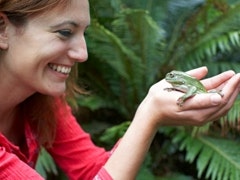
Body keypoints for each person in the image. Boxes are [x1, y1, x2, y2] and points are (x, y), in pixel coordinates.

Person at [0, 0, 239, 179]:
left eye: (84, 33)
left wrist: (152, 113)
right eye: (65, 32)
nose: (82, 54)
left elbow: (95, 171)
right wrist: (149, 115)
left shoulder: (43, 101)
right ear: (2, 28)